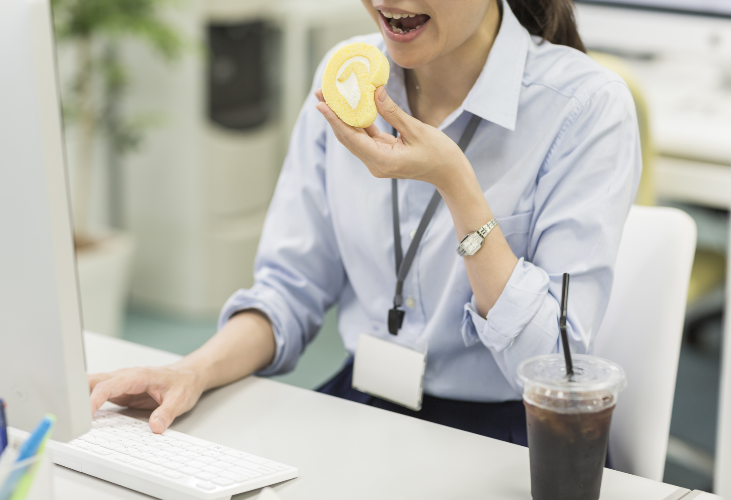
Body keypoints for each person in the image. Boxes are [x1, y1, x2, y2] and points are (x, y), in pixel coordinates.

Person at [89, 0, 641, 445]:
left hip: (506, 434)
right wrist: (192, 370)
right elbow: (288, 290)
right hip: (366, 407)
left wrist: (457, 185)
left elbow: (555, 372)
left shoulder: (585, 107)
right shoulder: (346, 80)